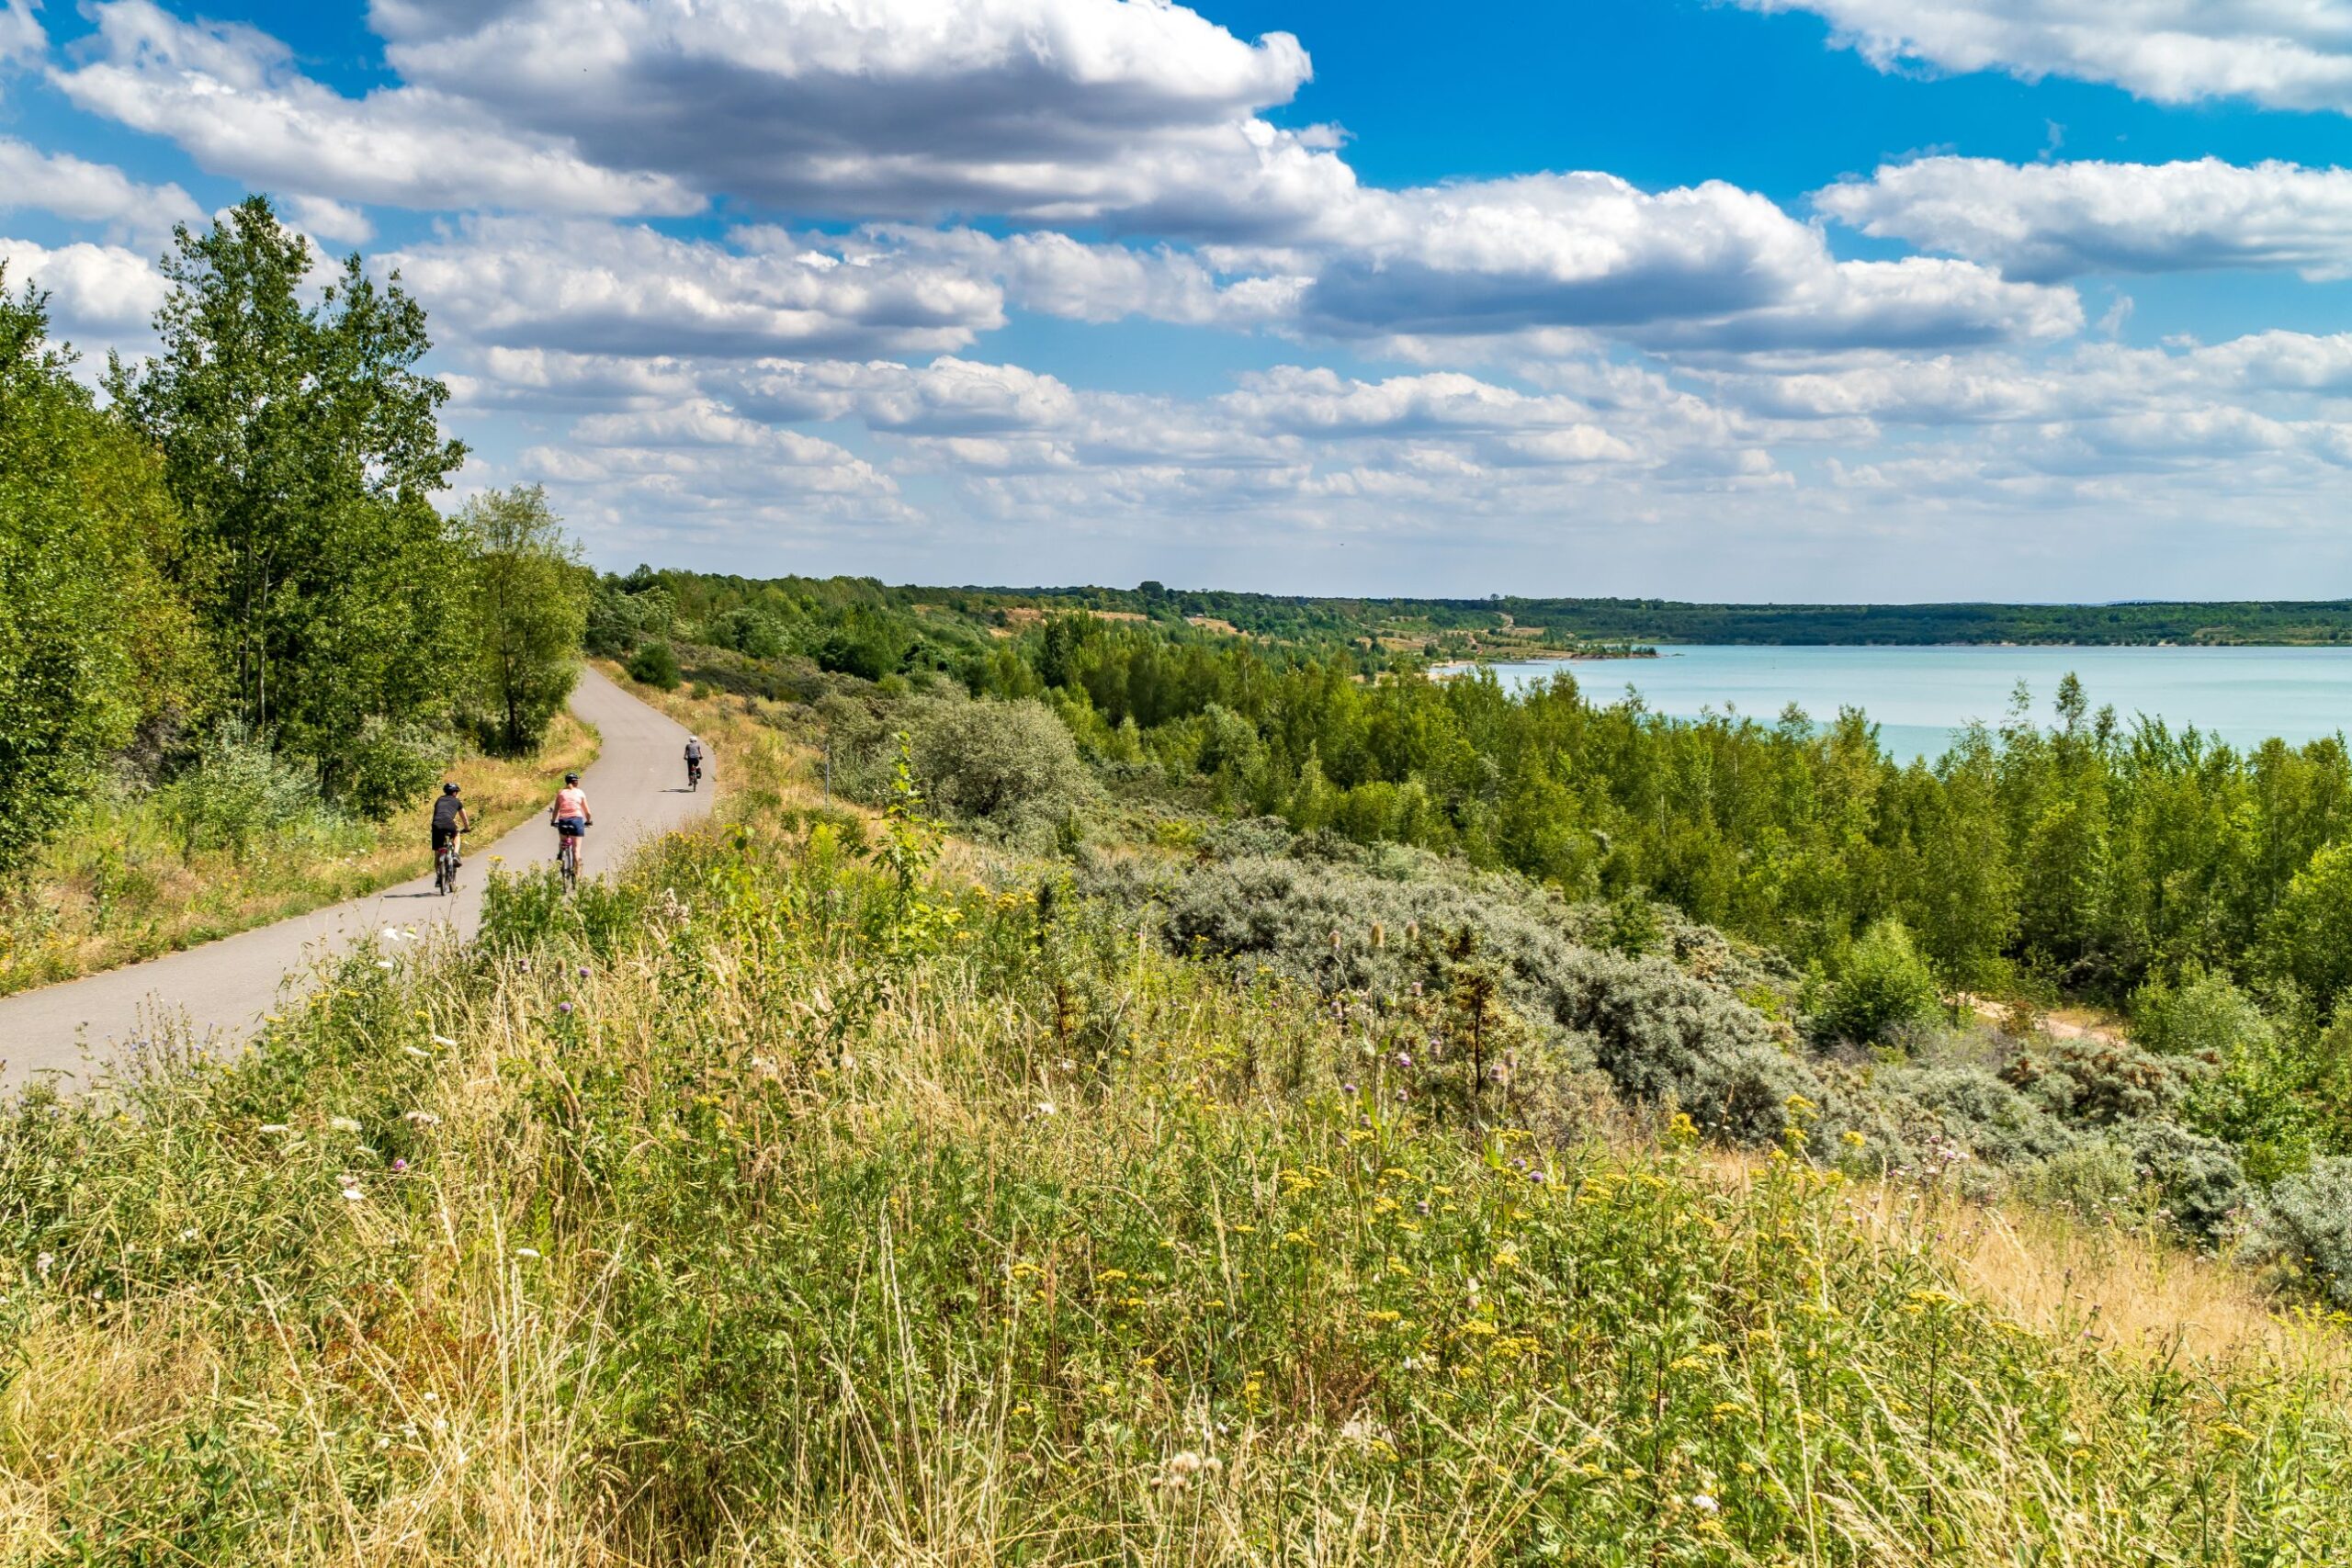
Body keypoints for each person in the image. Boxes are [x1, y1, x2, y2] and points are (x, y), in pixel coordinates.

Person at [550, 771, 592, 870]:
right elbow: (588, 813)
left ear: (566, 782)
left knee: (562, 841)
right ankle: (576, 877)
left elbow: (556, 810)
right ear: (576, 782)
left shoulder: (561, 793)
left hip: (563, 821)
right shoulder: (580, 793)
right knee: (576, 850)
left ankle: (561, 853)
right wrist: (588, 821)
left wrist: (553, 821)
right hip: (576, 821)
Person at [431, 781, 470, 869]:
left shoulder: (439, 800)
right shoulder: (457, 801)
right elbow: (464, 818)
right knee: (457, 833)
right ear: (454, 792)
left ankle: (439, 878)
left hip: (436, 824)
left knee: (437, 851)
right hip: (449, 823)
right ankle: (455, 855)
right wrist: (467, 828)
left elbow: (436, 814)